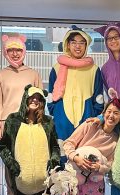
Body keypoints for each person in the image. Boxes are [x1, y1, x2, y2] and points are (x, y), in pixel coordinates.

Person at [0, 85, 60, 195]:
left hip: (44, 180)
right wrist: (13, 165)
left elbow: (55, 146)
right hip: (21, 179)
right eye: (32, 97)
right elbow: (2, 147)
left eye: (39, 98)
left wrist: (53, 161)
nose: (35, 100)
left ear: (42, 102)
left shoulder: (48, 122)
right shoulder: (13, 120)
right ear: (25, 98)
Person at [61, 97, 120, 195]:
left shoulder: (116, 140)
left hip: (95, 184)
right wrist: (76, 158)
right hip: (72, 179)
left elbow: (111, 164)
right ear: (103, 113)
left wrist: (99, 168)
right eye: (109, 111)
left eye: (116, 113)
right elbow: (68, 144)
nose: (111, 116)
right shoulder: (90, 125)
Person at [0, 34, 42, 195]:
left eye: (18, 50)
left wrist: (40, 122)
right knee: (10, 161)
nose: (15, 54)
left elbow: (41, 101)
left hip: (30, 123)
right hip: (8, 124)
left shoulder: (33, 73)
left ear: (24, 52)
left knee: (30, 159)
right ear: (6, 52)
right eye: (11, 50)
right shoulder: (0, 75)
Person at [48, 25, 104, 163]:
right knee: (62, 157)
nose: (78, 46)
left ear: (86, 45)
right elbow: (50, 96)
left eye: (81, 43)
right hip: (62, 120)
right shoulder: (57, 68)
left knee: (85, 157)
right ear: (67, 44)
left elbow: (99, 97)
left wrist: (92, 114)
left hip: (86, 120)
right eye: (74, 42)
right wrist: (58, 112)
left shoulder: (94, 69)